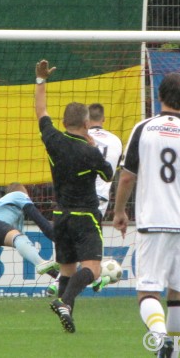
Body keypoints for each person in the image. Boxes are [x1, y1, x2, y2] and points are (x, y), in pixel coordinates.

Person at [113, 73, 180, 358]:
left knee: (147, 293)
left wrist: (120, 210)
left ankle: (160, 339)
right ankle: (173, 352)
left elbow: (126, 178)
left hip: (153, 222)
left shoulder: (143, 129)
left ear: (158, 96)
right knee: (179, 295)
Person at [35, 59, 115, 333]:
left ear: (64, 122)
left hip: (61, 216)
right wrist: (93, 145)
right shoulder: (90, 151)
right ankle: (65, 302)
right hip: (85, 216)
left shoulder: (53, 140)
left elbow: (41, 111)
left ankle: (66, 316)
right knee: (93, 269)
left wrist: (40, 80)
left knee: (67, 271)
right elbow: (108, 175)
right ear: (86, 123)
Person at [46, 103, 124, 296]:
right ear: (102, 119)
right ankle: (67, 287)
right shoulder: (115, 141)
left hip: (68, 202)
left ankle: (61, 283)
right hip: (95, 203)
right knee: (91, 261)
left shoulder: (70, 138)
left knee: (72, 254)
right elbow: (110, 174)